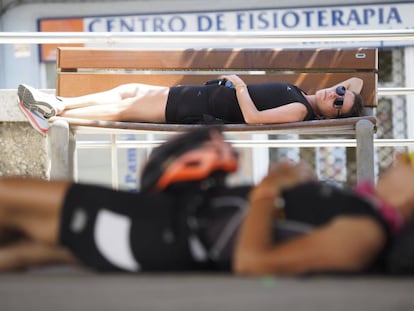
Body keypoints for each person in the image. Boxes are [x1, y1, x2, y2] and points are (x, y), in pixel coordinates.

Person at [1, 127, 413, 275]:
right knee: (21, 253)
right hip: (172, 222)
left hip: (165, 231)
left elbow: (254, 263)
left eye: (410, 159)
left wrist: (271, 186)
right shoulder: (365, 214)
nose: (398, 156)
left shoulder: (365, 234)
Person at [16, 75, 364, 135]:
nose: (335, 94)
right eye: (337, 92)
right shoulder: (302, 93)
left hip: (199, 110)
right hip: (198, 94)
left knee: (125, 109)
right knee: (129, 90)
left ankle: (57, 114)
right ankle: (60, 104)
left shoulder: (300, 109)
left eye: (338, 103)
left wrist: (240, 87)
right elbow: (356, 85)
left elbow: (255, 120)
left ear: (329, 112)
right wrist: (351, 98)